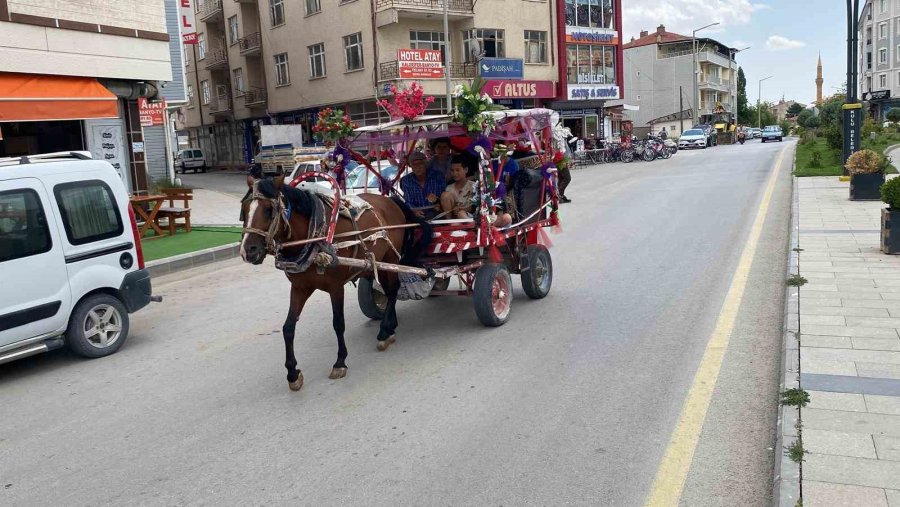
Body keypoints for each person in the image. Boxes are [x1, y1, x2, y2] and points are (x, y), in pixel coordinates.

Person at [441, 156, 512, 227]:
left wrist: (462, 209)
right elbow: (447, 206)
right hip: (456, 219)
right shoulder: (449, 188)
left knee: (461, 214)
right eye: (452, 170)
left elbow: (477, 205)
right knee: (446, 196)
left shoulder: (474, 185)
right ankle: (450, 224)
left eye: (457, 170)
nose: (454, 173)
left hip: (471, 217)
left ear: (466, 170)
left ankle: (474, 225)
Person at [400, 151, 445, 219]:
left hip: (437, 213)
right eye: (414, 164)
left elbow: (444, 196)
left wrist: (437, 200)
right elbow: (408, 201)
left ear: (426, 164)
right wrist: (415, 212)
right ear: (410, 166)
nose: (418, 167)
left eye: (421, 164)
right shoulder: (406, 180)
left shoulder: (438, 176)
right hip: (417, 214)